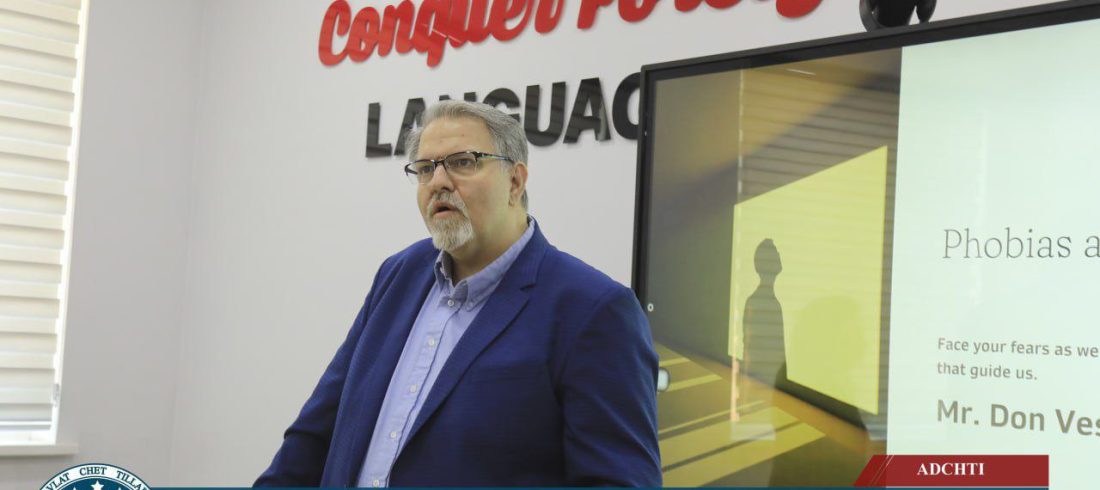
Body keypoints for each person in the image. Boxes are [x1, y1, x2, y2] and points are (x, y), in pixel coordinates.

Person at [254, 100, 661, 487]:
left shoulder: (593, 310)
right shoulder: (398, 274)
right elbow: (315, 435)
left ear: (515, 181)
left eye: (463, 162)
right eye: (425, 169)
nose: (439, 182)